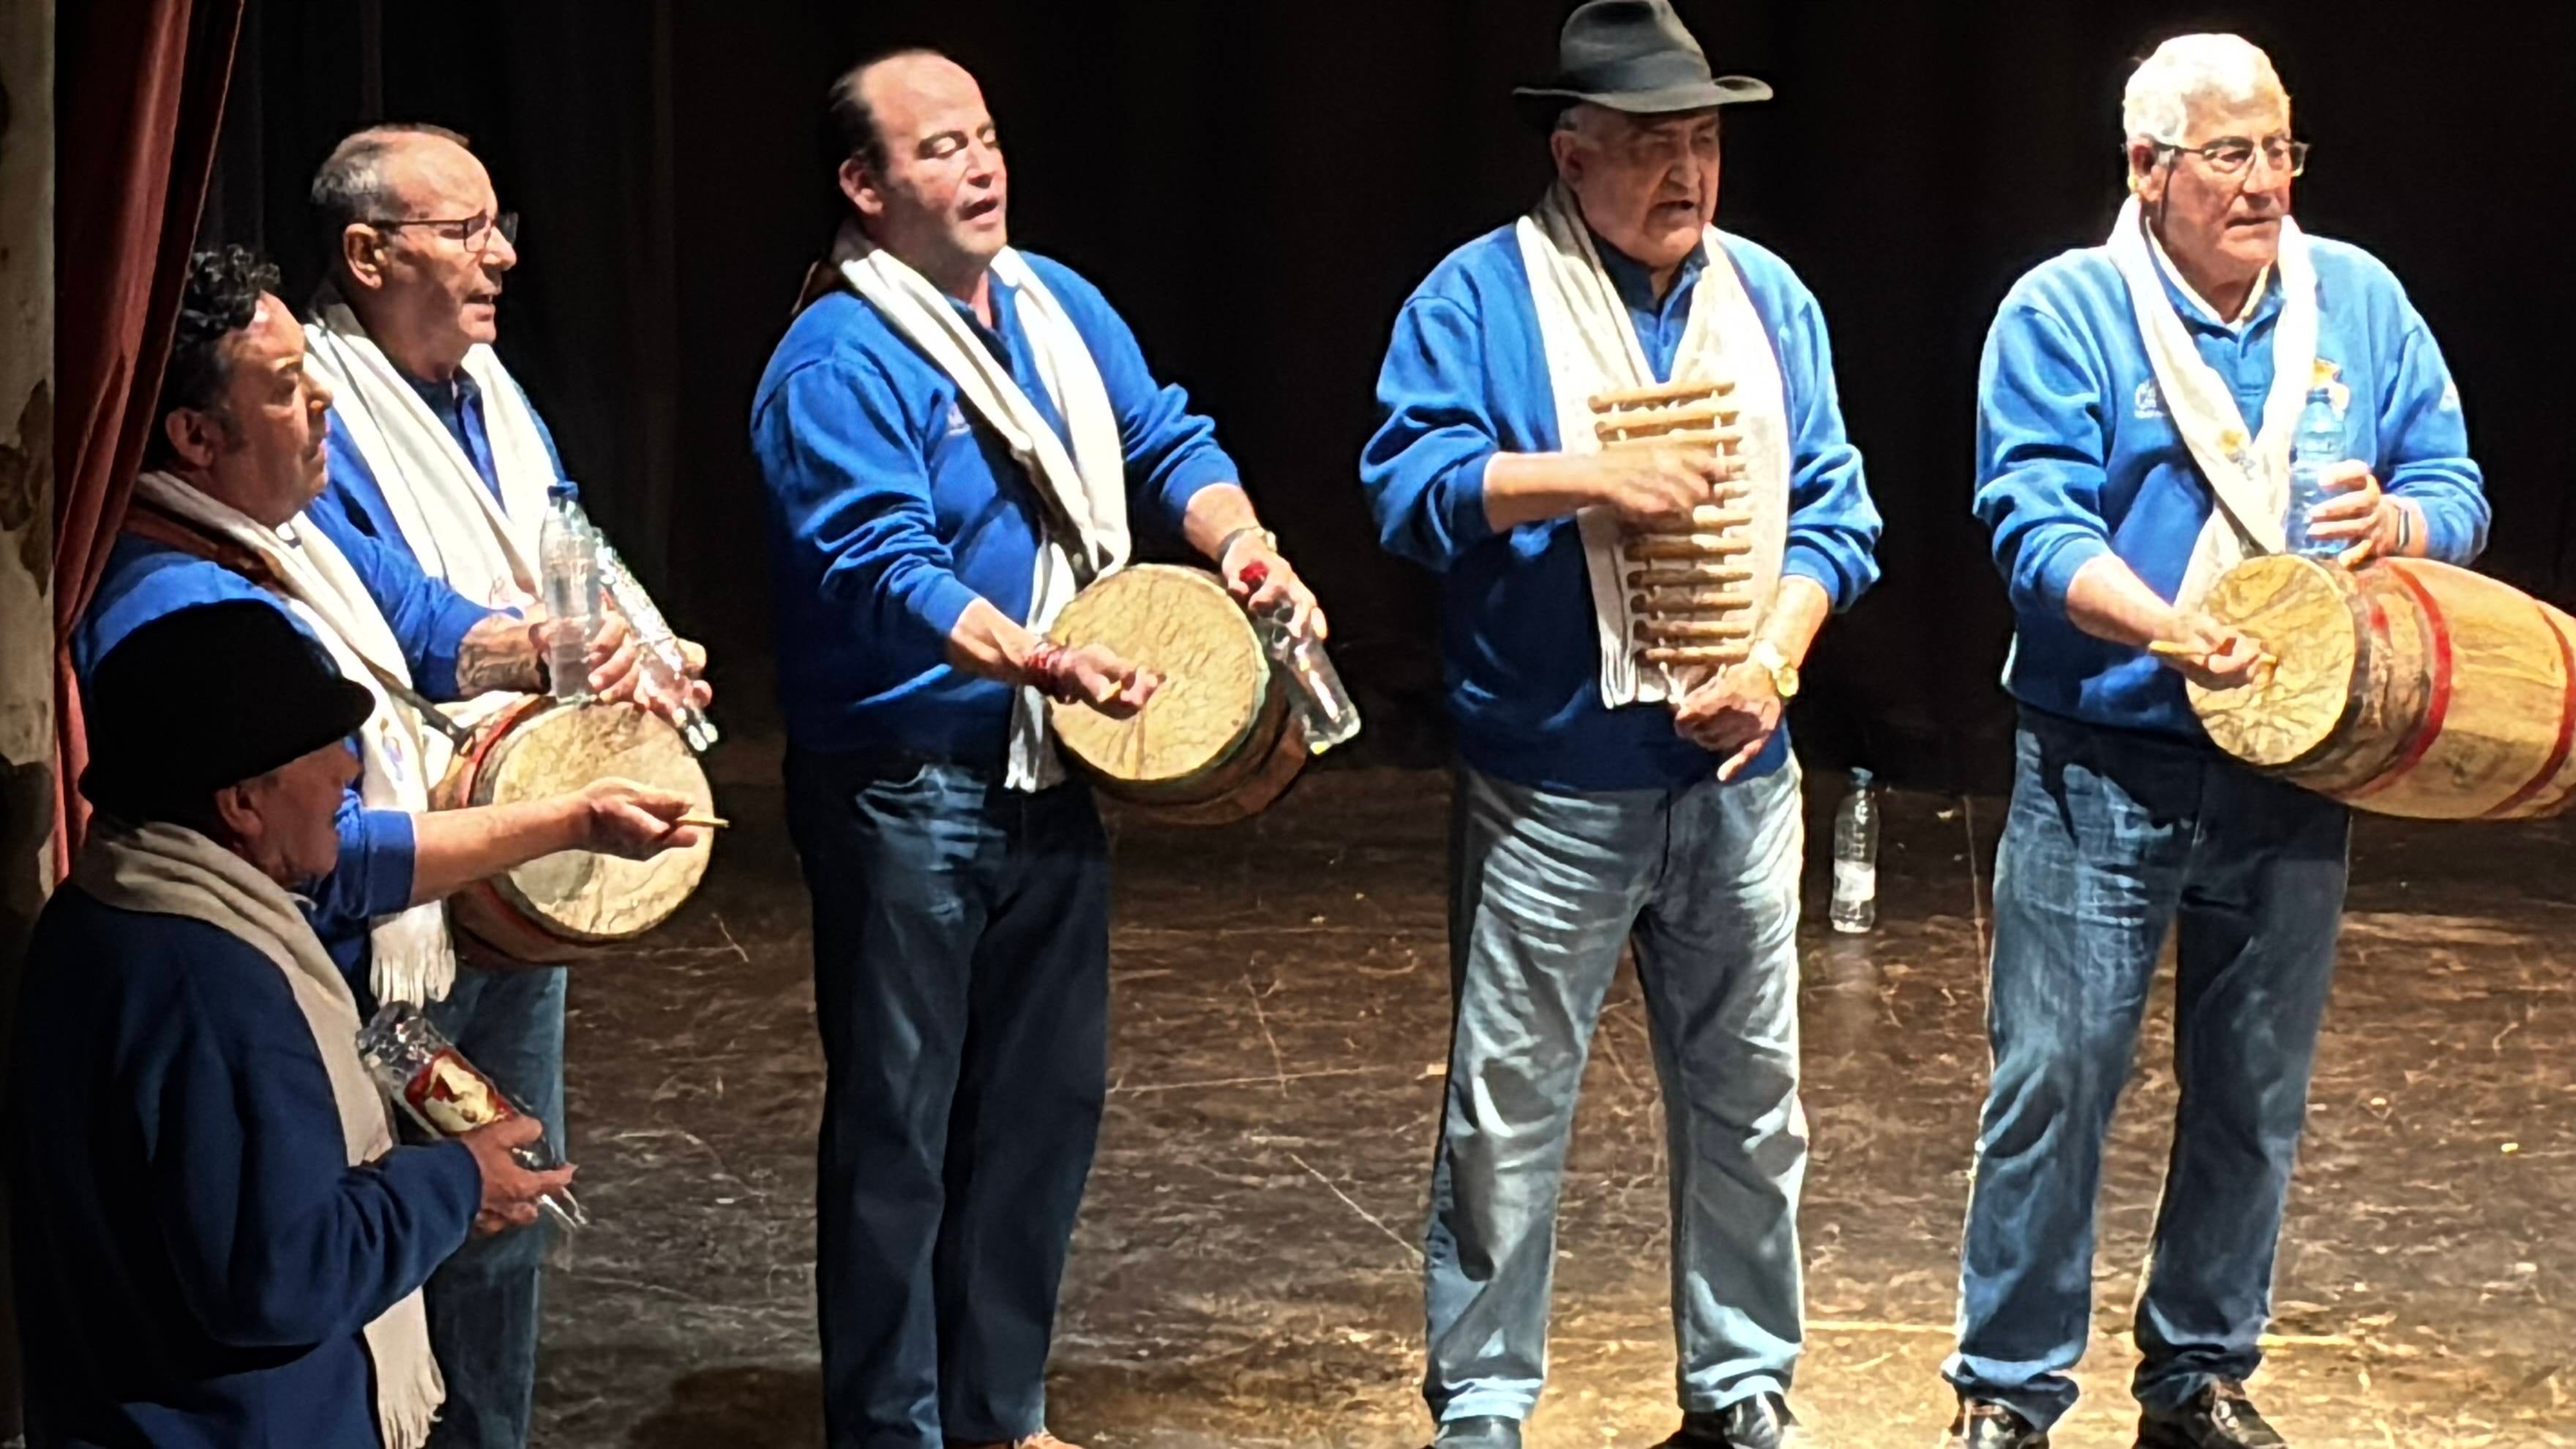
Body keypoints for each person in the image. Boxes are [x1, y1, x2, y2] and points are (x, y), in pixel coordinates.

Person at [749, 47, 1325, 1449]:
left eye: (987, 138)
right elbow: (883, 566)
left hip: (1045, 773)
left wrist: (1242, 542)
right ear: (864, 186)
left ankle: (999, 1416)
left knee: (1038, 1116)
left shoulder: (1057, 305)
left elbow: (1163, 435)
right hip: (907, 787)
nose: (981, 166)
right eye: (938, 149)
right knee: (901, 1128)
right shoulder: (836, 358)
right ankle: (891, 1428)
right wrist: (1047, 656)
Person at [1939, 34, 2489, 1449]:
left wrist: (2405, 526)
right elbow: (2032, 528)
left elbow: (2454, 483)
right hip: (2103, 759)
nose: (2264, 184)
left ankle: (2196, 1376)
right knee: (2055, 1084)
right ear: (2147, 167)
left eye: (2281, 150)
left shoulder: (2354, 299)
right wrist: (2170, 633)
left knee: (2253, 1094)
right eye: (2230, 154)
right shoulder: (2066, 313)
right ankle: (2008, 1390)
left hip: (2297, 766)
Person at [1359, 4, 1881, 1446]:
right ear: (1568, 154)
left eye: (1702, 143)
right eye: (1649, 146)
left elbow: (1835, 509)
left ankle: (1737, 1391)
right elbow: (1409, 489)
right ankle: (1481, 1404)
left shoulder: (1767, 297)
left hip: (1733, 770)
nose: (1683, 175)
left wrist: (1773, 663)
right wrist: (1588, 473)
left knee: (1750, 1106)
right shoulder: (1480, 295)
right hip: (1553, 788)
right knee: (1507, 1115)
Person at [297, 124, 712, 1448]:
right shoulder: (313, 401)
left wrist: (644, 655)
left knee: (508, 1191)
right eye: (464, 232)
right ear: (367, 254)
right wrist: (555, 645)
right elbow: (394, 610)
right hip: (391, 875)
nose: (502, 257)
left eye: (499, 227)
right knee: (393, 1209)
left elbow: (566, 541)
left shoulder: (496, 396)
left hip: (509, 859)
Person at [8, 599, 585, 1449]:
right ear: (242, 802)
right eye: (323, 752)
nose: (348, 774)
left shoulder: (101, 912)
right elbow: (278, 1275)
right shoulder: (212, 986)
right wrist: (456, 1184)